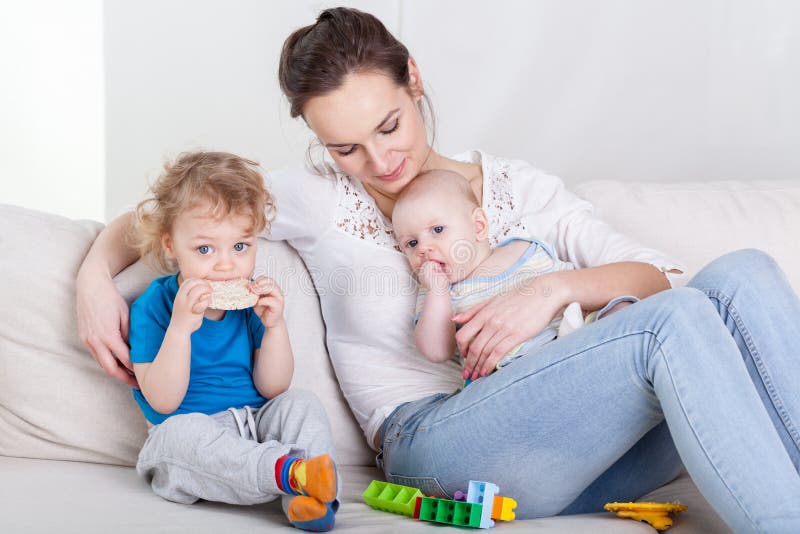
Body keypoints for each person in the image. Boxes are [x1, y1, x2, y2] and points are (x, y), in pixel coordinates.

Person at [76, 7, 800, 532]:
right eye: (346, 148)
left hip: (589, 446)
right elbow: (177, 214)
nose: (380, 163)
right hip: (440, 445)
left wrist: (550, 290)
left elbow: (660, 278)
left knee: (743, 276)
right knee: (668, 327)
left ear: (413, 79)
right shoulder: (316, 199)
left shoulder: (522, 190)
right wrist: (92, 280)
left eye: (388, 126)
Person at [125, 151, 338, 532]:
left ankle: (308, 500)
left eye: (240, 247)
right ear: (171, 245)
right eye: (205, 249)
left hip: (254, 423)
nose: (226, 266)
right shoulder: (153, 307)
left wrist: (275, 328)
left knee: (301, 403)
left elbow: (273, 387)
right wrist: (179, 328)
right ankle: (288, 471)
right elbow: (163, 400)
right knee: (179, 436)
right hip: (190, 436)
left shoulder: (250, 303)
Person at [392, 168, 634, 379]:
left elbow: (576, 289)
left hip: (575, 337)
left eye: (437, 229)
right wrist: (437, 292)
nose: (424, 248)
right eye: (411, 244)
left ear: (478, 226)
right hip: (515, 372)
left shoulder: (525, 250)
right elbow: (436, 351)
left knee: (623, 307)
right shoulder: (439, 294)